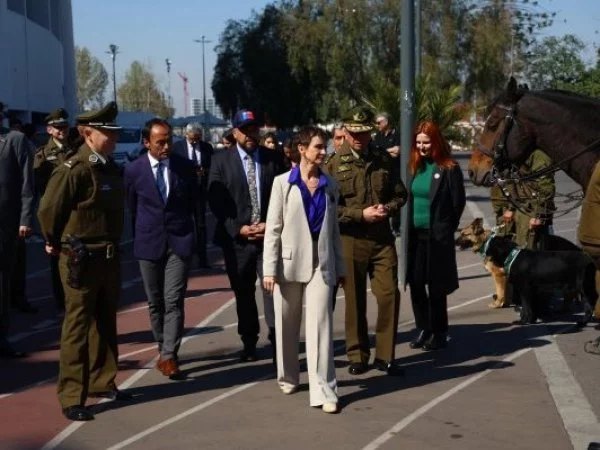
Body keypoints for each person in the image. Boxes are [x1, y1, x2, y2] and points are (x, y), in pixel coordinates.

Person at [38, 102, 132, 422]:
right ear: (88, 133)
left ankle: (102, 381)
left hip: (108, 256)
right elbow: (49, 210)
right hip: (81, 258)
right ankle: (71, 395)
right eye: (108, 133)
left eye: (114, 133)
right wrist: (54, 241)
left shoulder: (108, 167)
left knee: (105, 322)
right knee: (77, 327)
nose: (114, 138)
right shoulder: (75, 169)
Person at [263, 126, 344, 414]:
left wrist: (340, 268)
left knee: (321, 324)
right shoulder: (283, 184)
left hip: (321, 263)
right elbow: (273, 229)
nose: (323, 152)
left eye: (324, 147)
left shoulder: (330, 185)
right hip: (288, 264)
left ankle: (324, 389)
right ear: (302, 149)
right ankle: (288, 376)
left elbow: (334, 232)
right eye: (318, 147)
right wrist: (269, 269)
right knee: (287, 322)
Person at [324, 108, 407, 376]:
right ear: (346, 132)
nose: (358, 138)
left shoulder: (383, 159)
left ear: (371, 132)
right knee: (354, 299)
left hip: (382, 239)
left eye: (363, 133)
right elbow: (328, 208)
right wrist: (361, 214)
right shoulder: (333, 164)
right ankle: (357, 355)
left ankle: (385, 356)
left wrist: (387, 208)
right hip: (351, 239)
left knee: (389, 295)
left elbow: (400, 194)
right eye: (353, 133)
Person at [208, 109, 284, 362]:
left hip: (268, 237)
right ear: (235, 132)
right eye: (245, 130)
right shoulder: (220, 160)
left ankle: (278, 339)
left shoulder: (273, 158)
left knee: (273, 290)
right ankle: (249, 341)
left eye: (254, 129)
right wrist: (238, 228)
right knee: (243, 292)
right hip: (237, 241)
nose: (251, 134)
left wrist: (270, 224)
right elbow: (215, 201)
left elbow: (285, 194)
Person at [124, 119, 197, 379]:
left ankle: (168, 355)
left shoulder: (184, 167)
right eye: (160, 142)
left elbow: (193, 202)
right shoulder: (133, 171)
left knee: (173, 300)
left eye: (169, 140)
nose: (166, 146)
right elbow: (132, 206)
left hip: (179, 241)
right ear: (147, 143)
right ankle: (162, 345)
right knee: (155, 302)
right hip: (149, 242)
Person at [405, 121, 466, 351]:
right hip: (416, 236)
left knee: (436, 286)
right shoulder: (415, 166)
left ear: (436, 142)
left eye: (426, 142)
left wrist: (446, 228)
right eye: (419, 142)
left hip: (437, 238)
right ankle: (424, 327)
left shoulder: (449, 168)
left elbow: (458, 202)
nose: (422, 147)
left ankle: (439, 332)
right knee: (416, 283)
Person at [34, 108, 78, 311]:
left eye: (64, 126)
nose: (62, 130)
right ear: (49, 130)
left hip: (76, 211)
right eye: (58, 127)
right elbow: (42, 187)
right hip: (57, 212)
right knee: (57, 256)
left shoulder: (76, 149)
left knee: (78, 254)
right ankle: (61, 299)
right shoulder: (43, 155)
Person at [0, 102, 34, 358]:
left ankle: (1, 337)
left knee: (2, 281)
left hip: (5, 223)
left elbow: (26, 183)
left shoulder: (15, 140)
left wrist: (25, 219)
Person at [172, 123, 213, 269]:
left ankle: (203, 258)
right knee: (184, 224)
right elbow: (174, 168)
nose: (195, 141)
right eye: (192, 138)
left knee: (201, 225)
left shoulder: (207, 148)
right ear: (186, 134)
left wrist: (204, 172)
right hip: (183, 193)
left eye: (198, 138)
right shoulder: (177, 148)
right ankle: (185, 256)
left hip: (200, 191)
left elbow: (212, 167)